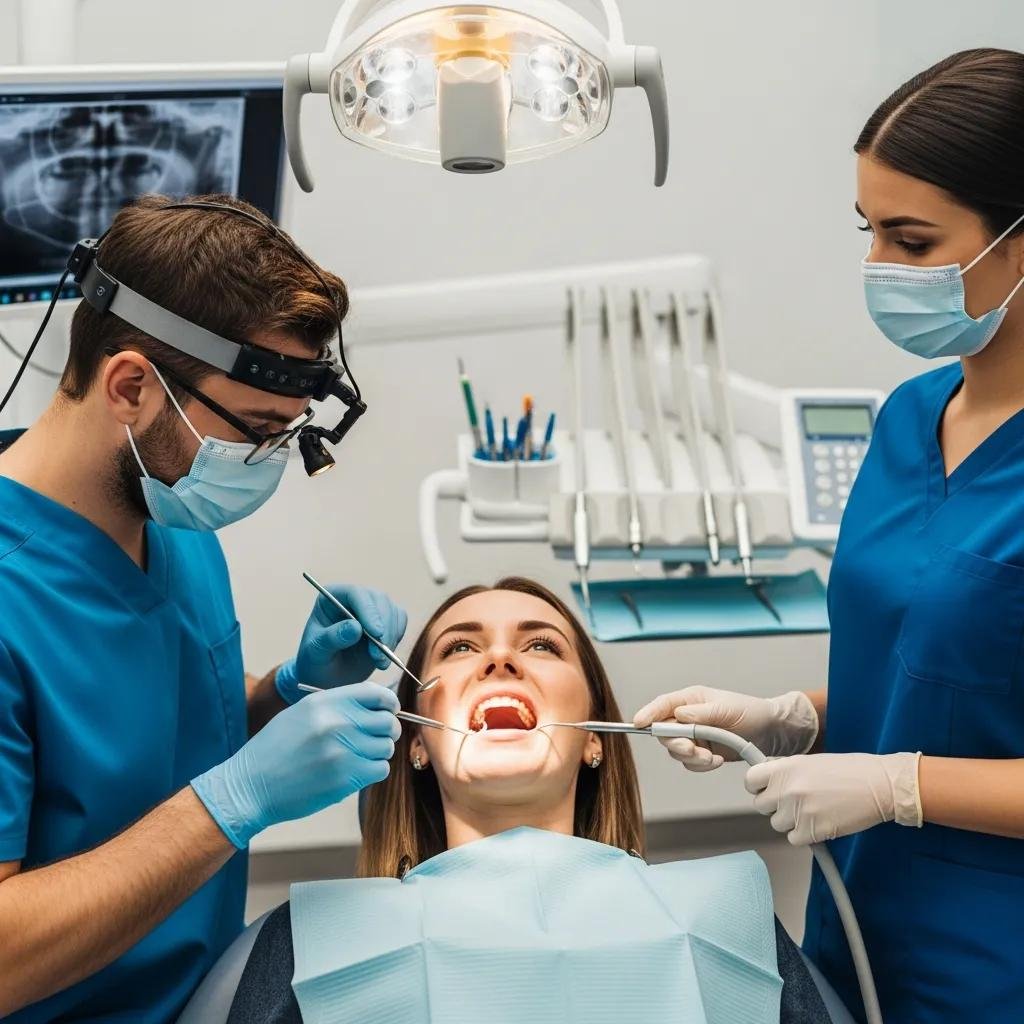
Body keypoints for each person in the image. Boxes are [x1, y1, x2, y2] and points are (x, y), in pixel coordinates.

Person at [636, 47, 1024, 1023]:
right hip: (856, 924)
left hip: (994, 960)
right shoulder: (906, 418)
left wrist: (899, 785)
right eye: (868, 232)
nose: (878, 269)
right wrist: (791, 715)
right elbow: (932, 671)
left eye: (912, 239)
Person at [0, 194, 409, 1023]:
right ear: (130, 386)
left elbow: (154, 739)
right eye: (255, 433)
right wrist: (237, 801)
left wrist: (284, 694)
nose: (264, 464)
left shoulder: (170, 514)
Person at [221, 578, 834, 1024]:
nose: (500, 658)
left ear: (594, 738)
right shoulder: (313, 941)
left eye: (542, 645)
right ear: (416, 746)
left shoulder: (725, 917)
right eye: (459, 648)